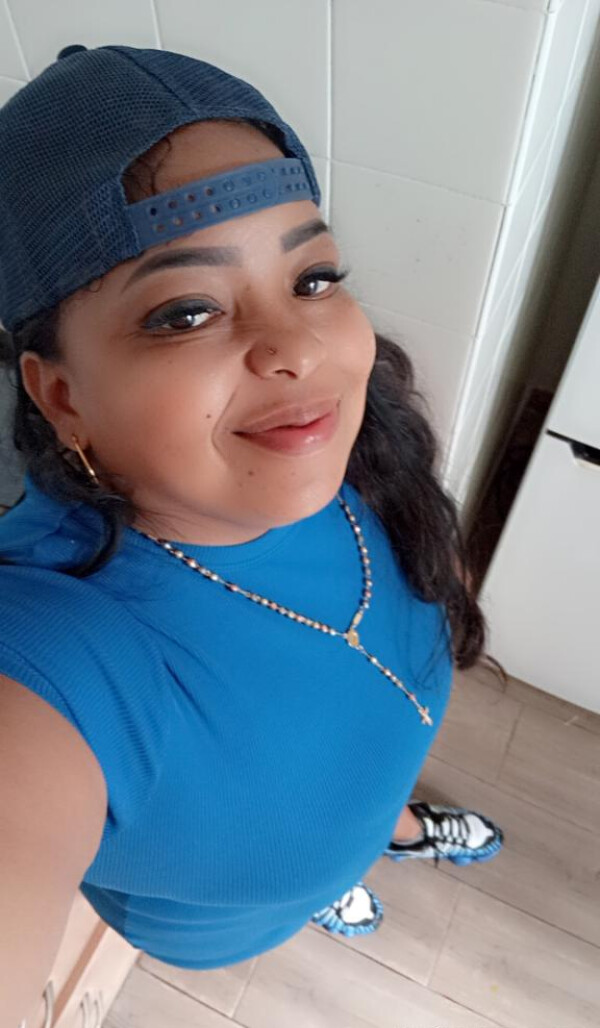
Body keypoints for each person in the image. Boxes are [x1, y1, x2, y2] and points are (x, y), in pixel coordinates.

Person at [0, 43, 506, 1000]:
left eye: (312, 279)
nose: (297, 349)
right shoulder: (51, 650)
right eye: (186, 312)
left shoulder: (354, 453)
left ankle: (384, 835)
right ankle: (323, 886)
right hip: (228, 918)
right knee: (293, 883)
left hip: (359, 799)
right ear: (61, 395)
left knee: (362, 808)